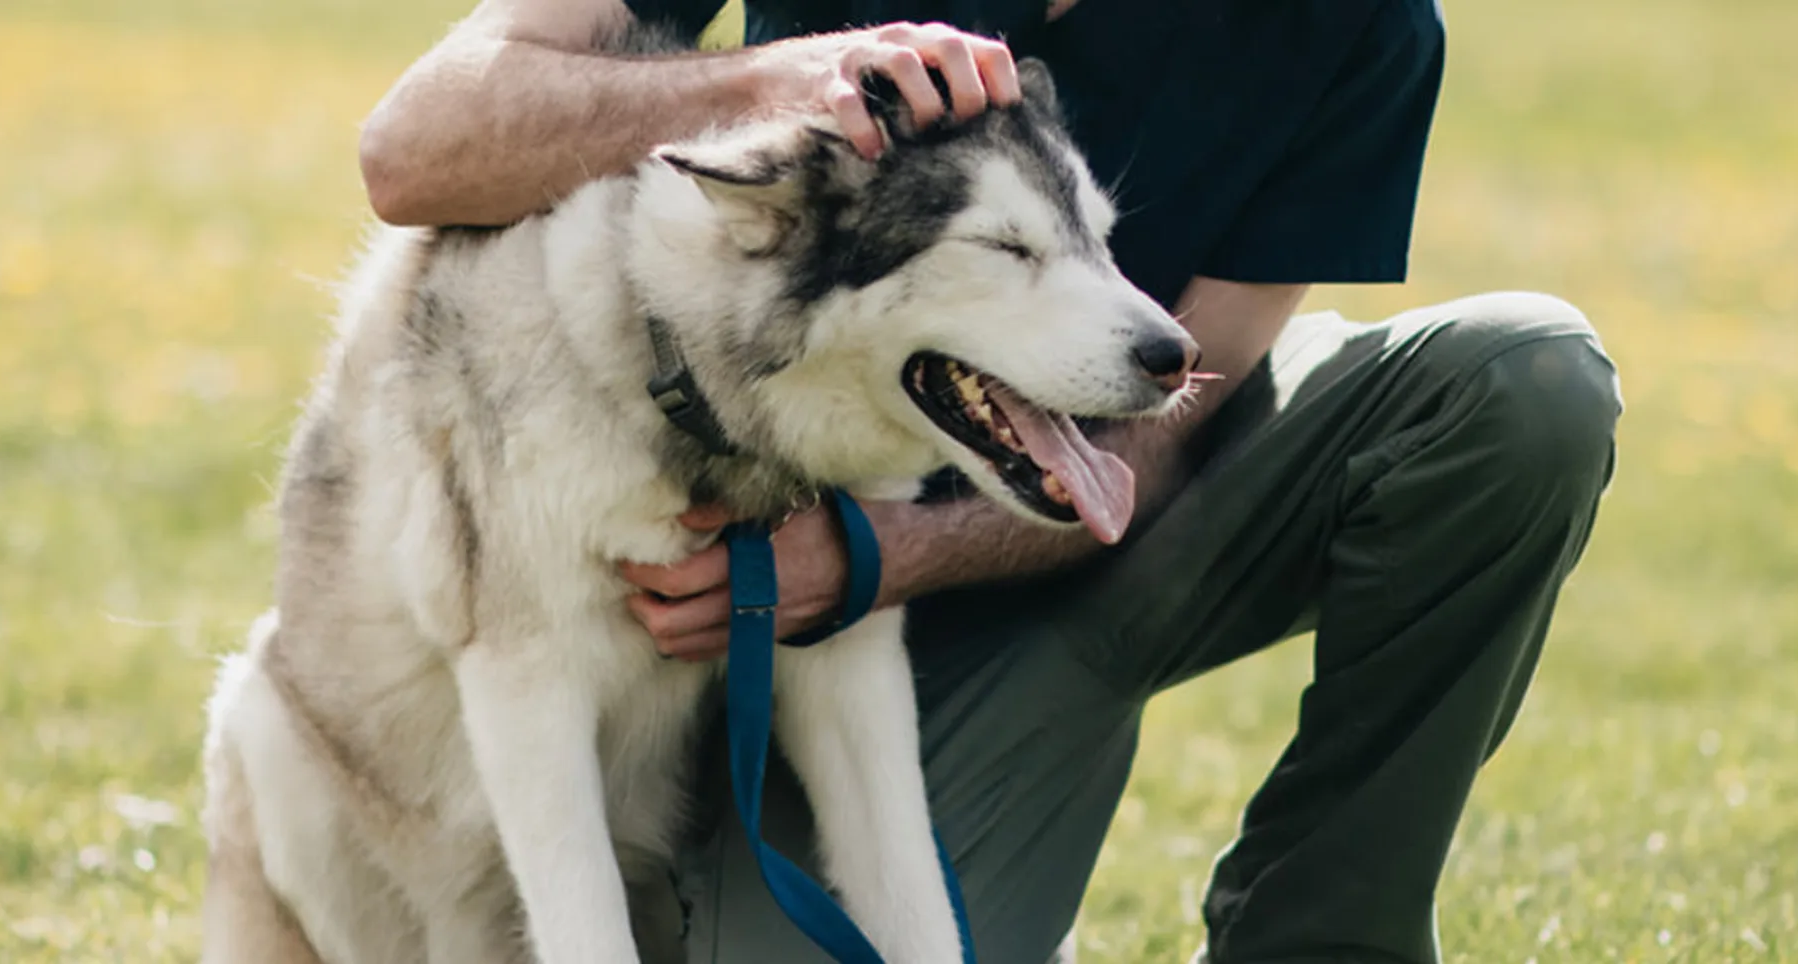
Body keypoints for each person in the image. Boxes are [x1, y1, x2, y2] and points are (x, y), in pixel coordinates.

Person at [357, 0, 1623, 960]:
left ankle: (1318, 940)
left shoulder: (1359, 25)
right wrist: (771, 85)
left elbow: (1193, 395)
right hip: (802, 563)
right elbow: (416, 148)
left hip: (1128, 520)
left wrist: (880, 557)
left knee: (1524, 384)